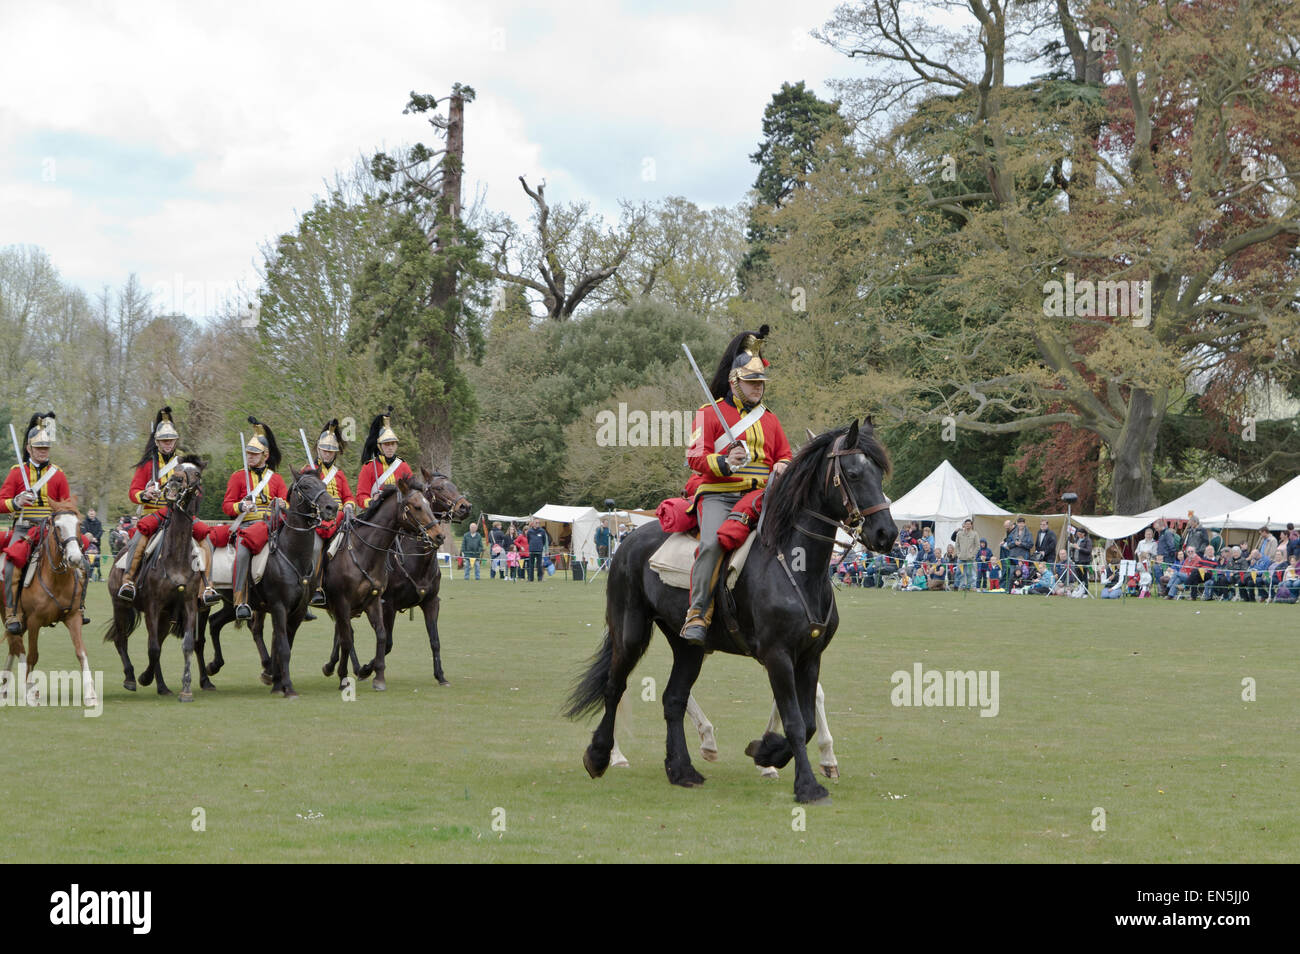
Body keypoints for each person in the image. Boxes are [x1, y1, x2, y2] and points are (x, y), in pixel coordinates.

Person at [680, 325, 792, 646]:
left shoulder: (770, 419)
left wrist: (784, 464)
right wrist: (726, 462)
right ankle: (698, 612)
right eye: (751, 382)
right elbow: (695, 457)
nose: (757, 387)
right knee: (713, 544)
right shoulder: (709, 414)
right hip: (720, 494)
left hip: (761, 496)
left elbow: (783, 454)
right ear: (734, 381)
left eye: (760, 382)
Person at [117, 407, 218, 606]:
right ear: (157, 442)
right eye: (164, 441)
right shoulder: (147, 464)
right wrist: (145, 495)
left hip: (179, 515)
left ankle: (207, 587)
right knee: (139, 540)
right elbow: (133, 492)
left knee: (207, 541)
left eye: (171, 440)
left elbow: (196, 488)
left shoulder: (184, 464)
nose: (168, 444)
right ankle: (128, 581)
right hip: (153, 514)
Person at [0, 413, 85, 633]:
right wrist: (17, 502)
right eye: (38, 448)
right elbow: (1, 503)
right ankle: (11, 613)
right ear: (28, 449)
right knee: (11, 565)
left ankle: (78, 606)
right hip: (24, 527)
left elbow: (66, 504)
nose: (43, 451)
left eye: (46, 448)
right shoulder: (17, 473)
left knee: (78, 556)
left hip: (50, 529)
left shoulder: (58, 475)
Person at [206, 419, 289, 620]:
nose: (250, 457)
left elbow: (287, 504)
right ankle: (240, 600)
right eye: (249, 453)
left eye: (255, 454)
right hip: (247, 525)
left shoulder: (276, 479)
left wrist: (280, 504)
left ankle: (299, 596)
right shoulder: (238, 477)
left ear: (265, 456)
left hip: (272, 525)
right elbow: (227, 505)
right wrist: (241, 506)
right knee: (243, 550)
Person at [307, 419, 356, 608]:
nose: (327, 454)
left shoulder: (339, 474)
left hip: (339, 519)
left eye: (330, 451)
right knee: (314, 547)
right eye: (324, 450)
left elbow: (349, 497)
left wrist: (350, 506)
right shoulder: (308, 471)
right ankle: (315, 587)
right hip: (318, 520)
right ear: (318, 450)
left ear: (335, 453)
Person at [355, 408, 413, 509]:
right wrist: (372, 502)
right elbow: (361, 497)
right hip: (377, 513)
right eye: (386, 444)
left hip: (399, 512)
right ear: (380, 446)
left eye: (393, 444)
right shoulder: (368, 467)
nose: (390, 448)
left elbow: (412, 491)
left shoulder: (403, 466)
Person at [954, 518, 979, 590]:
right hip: (961, 557)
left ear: (971, 525)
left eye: (969, 524)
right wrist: (958, 554)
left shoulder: (975, 534)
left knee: (971, 573)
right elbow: (957, 545)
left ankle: (972, 587)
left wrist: (973, 554)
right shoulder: (959, 533)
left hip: (970, 558)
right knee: (960, 573)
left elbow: (977, 546)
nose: (967, 525)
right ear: (964, 525)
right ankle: (961, 586)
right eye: (966, 524)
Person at [525, 518, 549, 582]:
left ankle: (540, 578)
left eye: (539, 523)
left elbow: (544, 541)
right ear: (533, 524)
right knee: (531, 565)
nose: (538, 524)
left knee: (539, 565)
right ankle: (530, 578)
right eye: (536, 522)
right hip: (532, 549)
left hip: (539, 550)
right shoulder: (529, 531)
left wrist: (541, 546)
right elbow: (528, 540)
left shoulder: (542, 531)